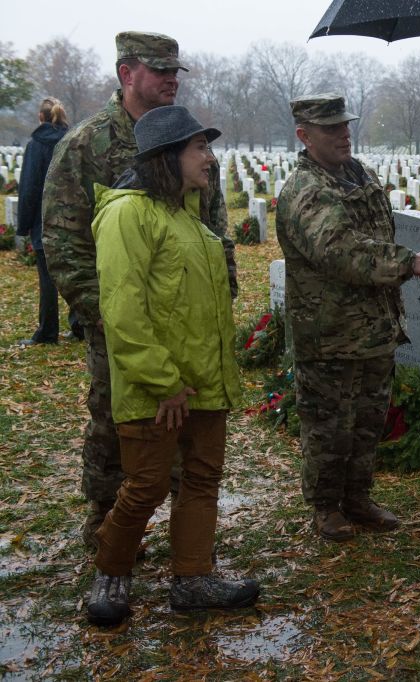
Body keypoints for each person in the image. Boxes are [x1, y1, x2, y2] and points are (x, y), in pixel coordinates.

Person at [42, 32, 235, 551]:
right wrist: (103, 316)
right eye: (159, 71)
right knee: (115, 429)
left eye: (176, 71)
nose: (172, 79)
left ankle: (185, 539)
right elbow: (63, 240)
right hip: (121, 325)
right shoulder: (87, 143)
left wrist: (224, 285)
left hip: (188, 321)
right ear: (127, 74)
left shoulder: (187, 137)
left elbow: (214, 226)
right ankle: (108, 530)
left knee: (187, 427)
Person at [85, 105, 258, 627]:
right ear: (168, 157)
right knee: (146, 486)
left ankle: (192, 578)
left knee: (203, 480)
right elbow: (123, 307)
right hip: (157, 388)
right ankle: (110, 572)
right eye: (199, 148)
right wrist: (164, 382)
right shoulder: (128, 214)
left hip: (203, 383)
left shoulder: (189, 215)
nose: (210, 157)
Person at [275, 93, 420, 542]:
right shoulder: (305, 191)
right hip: (330, 332)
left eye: (344, 125)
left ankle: (358, 497)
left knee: (368, 421)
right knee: (329, 427)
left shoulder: (360, 175)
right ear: (304, 136)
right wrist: (411, 263)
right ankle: (326, 507)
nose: (342, 134)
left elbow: (378, 232)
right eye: (330, 128)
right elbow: (342, 253)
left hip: (374, 326)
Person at [16, 97, 70, 347]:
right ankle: (80, 325)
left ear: (40, 117)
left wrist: (24, 225)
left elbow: (29, 188)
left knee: (48, 279)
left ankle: (48, 331)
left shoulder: (36, 145)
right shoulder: (73, 141)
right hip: (73, 218)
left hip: (44, 219)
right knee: (74, 272)